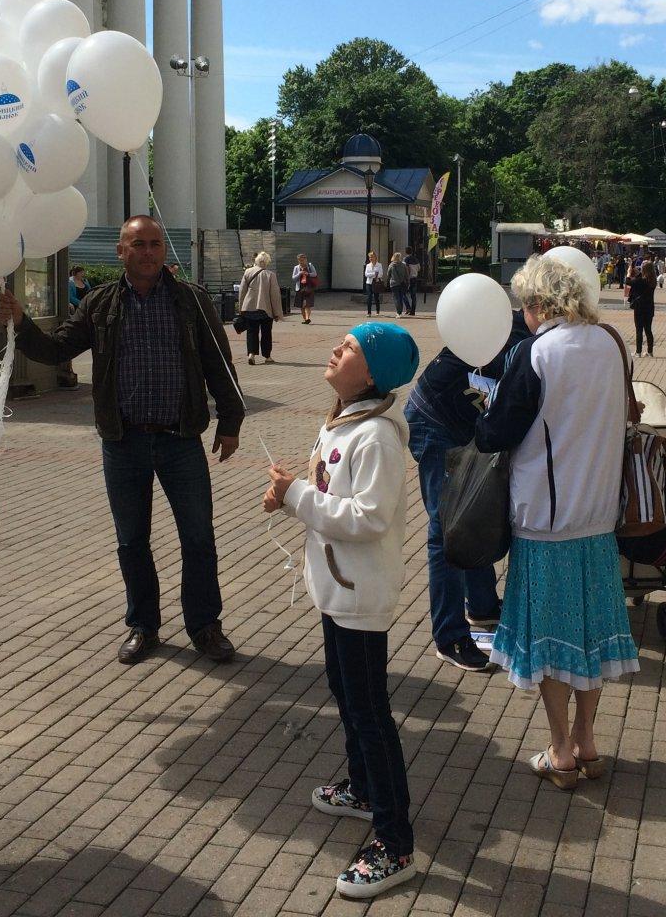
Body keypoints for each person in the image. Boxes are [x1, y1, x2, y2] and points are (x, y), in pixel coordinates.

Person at [0, 215, 243, 667]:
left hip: (180, 440)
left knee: (199, 537)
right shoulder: (99, 304)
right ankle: (143, 626)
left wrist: (231, 420)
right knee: (132, 540)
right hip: (124, 442)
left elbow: (218, 362)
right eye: (138, 245)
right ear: (121, 251)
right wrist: (22, 322)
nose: (148, 252)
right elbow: (57, 350)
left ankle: (205, 626)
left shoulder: (191, 301)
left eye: (154, 244)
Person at [264, 323, 422, 900]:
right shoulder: (344, 420)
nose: (336, 349)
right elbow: (325, 489)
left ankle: (394, 840)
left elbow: (367, 518)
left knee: (368, 709)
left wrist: (298, 498)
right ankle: (362, 788)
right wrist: (291, 495)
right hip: (337, 589)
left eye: (351, 348)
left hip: (360, 593)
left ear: (374, 372)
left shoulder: (376, 436)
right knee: (345, 689)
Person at [474, 256, 638, 789]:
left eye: (525, 305)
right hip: (597, 513)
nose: (524, 315)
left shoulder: (537, 352)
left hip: (546, 517)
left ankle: (561, 748)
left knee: (549, 641)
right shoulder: (612, 345)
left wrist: (483, 408)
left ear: (539, 305)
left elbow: (496, 434)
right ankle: (588, 740)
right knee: (591, 637)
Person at [404, 308, 529, 672]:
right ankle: (450, 636)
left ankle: (483, 606)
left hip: (466, 424)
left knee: (476, 512)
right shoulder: (514, 335)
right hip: (435, 420)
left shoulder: (526, 335)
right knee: (448, 527)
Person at [237, 250, 284, 365]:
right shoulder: (270, 275)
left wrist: (241, 307)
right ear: (267, 262)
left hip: (249, 307)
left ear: (256, 261)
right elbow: (275, 295)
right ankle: (267, 356)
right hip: (265, 309)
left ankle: (251, 354)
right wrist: (277, 312)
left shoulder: (248, 272)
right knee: (266, 332)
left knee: (252, 331)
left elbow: (242, 291)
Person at [628, 260, 657, 356]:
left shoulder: (641, 280)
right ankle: (650, 351)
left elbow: (628, 282)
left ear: (643, 269)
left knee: (639, 330)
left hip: (639, 307)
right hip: (649, 307)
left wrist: (629, 273)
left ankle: (638, 351)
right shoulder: (652, 281)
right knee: (648, 330)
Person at [293, 253, 318, 324]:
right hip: (300, 287)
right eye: (300, 260)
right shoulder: (296, 268)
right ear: (298, 260)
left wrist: (308, 274)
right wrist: (299, 273)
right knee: (301, 305)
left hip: (309, 287)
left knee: (308, 304)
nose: (302, 262)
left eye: (303, 260)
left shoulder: (310, 266)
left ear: (306, 260)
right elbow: (293, 278)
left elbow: (315, 274)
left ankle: (307, 318)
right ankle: (304, 319)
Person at [386, 252, 410, 317]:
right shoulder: (403, 265)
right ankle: (400, 312)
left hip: (394, 284)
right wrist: (408, 282)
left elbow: (388, 274)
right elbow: (407, 275)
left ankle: (398, 312)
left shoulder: (391, 265)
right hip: (402, 284)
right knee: (400, 297)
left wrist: (388, 280)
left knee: (396, 298)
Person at [364, 251, 384, 316]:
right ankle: (369, 312)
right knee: (369, 297)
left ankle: (377, 311)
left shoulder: (379, 265)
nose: (371, 258)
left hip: (376, 283)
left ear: (375, 257)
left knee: (376, 297)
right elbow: (366, 274)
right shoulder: (368, 265)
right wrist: (374, 274)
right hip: (369, 283)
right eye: (370, 257)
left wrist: (375, 275)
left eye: (372, 257)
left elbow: (380, 274)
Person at [405, 252, 420, 316]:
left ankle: (408, 307)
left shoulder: (406, 259)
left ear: (406, 251)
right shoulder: (416, 259)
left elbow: (405, 269)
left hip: (408, 279)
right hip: (415, 278)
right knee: (413, 296)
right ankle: (413, 311)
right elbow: (419, 268)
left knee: (403, 294)